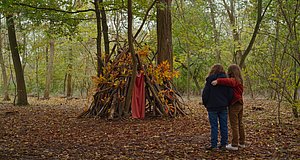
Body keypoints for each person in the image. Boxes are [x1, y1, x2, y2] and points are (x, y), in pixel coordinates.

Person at [211, 64, 245, 151]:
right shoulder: (240, 80)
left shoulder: (234, 80)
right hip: (240, 103)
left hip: (235, 104)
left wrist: (218, 81)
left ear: (231, 72)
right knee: (240, 124)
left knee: (234, 125)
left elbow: (229, 82)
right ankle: (242, 142)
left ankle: (234, 144)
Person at [202, 64, 233, 150]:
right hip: (223, 106)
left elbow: (205, 94)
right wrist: (227, 102)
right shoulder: (226, 81)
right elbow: (230, 94)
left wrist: (206, 104)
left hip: (212, 107)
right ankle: (224, 144)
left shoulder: (209, 81)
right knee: (224, 126)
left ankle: (214, 145)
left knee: (214, 126)